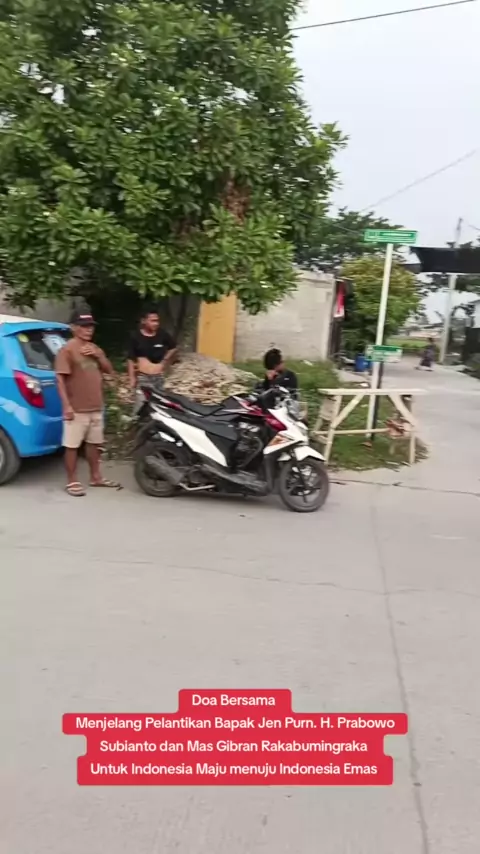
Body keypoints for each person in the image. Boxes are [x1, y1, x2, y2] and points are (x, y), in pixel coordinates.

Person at [55, 309, 120, 497]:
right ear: (73, 328)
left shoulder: (95, 348)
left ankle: (96, 477)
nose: (89, 329)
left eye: (91, 326)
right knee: (72, 446)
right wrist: (66, 406)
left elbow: (109, 370)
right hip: (77, 408)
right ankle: (72, 480)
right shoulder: (67, 350)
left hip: (96, 406)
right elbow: (60, 379)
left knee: (94, 443)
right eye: (84, 326)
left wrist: (98, 355)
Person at [127, 306, 178, 394]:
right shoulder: (135, 336)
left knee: (159, 400)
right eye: (153, 321)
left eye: (157, 321)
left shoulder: (162, 334)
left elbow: (173, 348)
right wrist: (132, 378)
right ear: (143, 321)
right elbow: (130, 358)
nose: (156, 323)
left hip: (158, 377)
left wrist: (165, 360)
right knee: (142, 400)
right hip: (142, 377)